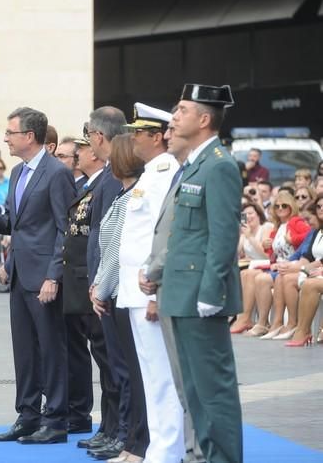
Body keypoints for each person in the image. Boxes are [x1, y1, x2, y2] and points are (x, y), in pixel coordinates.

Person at [0, 107, 75, 445]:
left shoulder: (56, 173)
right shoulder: (18, 173)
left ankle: (56, 420)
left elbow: (65, 229)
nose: (5, 138)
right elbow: (15, 223)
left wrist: (53, 276)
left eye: (10, 132)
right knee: (25, 351)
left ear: (28, 136)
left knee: (51, 348)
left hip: (44, 279)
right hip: (19, 274)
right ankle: (28, 415)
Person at [160, 83, 243, 463]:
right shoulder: (196, 163)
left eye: (181, 110)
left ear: (204, 119)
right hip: (182, 292)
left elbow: (223, 236)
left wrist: (212, 291)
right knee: (194, 390)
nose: (174, 117)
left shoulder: (220, 165)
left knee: (213, 390)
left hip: (200, 295)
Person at [140, 118, 206, 463]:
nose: (167, 136)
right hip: (166, 285)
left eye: (172, 130)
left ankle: (194, 451)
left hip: (185, 289)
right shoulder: (179, 172)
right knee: (181, 381)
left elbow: (185, 235)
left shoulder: (196, 170)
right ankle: (189, 450)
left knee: (191, 380)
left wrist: (152, 276)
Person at [121, 104, 183, 463]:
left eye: (138, 133)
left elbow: (162, 236)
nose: (132, 139)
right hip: (135, 290)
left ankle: (166, 452)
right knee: (150, 376)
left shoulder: (163, 172)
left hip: (148, 291)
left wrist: (156, 291)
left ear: (156, 137)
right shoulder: (150, 173)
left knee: (161, 377)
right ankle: (161, 448)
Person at [77, 106, 131, 459]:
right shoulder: (111, 173)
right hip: (103, 283)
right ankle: (111, 427)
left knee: (118, 366)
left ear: (99, 136)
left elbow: (113, 237)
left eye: (88, 139)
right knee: (108, 360)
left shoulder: (118, 175)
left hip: (113, 285)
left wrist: (102, 282)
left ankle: (122, 432)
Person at [90, 134, 147, 463]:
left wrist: (102, 287)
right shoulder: (123, 196)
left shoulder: (131, 198)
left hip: (120, 294)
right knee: (122, 370)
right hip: (113, 292)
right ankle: (129, 439)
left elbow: (117, 252)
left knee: (127, 373)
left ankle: (131, 438)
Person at [61, 138, 120, 444]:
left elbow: (104, 236)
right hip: (81, 281)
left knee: (107, 359)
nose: (78, 153)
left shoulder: (106, 184)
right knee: (97, 354)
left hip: (94, 282)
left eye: (82, 148)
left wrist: (99, 281)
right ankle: (108, 428)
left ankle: (115, 427)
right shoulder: (88, 184)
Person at [252, 191, 310, 339]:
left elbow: (309, 235)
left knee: (262, 279)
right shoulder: (277, 227)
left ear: (291, 206)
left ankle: (272, 322)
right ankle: (265, 322)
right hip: (279, 266)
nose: (280, 208)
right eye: (277, 206)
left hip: (292, 266)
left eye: (284, 205)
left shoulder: (296, 222)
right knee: (255, 277)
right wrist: (267, 246)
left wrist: (293, 239)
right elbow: (274, 254)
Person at [230, 203, 274, 334]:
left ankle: (246, 318)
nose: (248, 217)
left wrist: (250, 236)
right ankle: (240, 316)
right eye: (244, 215)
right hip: (252, 266)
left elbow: (265, 253)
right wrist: (239, 234)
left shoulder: (266, 227)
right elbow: (236, 253)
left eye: (251, 213)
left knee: (247, 274)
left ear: (258, 214)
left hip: (266, 265)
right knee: (242, 274)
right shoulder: (245, 232)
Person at [286, 195, 323, 346]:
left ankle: (303, 330)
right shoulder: (318, 231)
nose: (321, 209)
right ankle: (293, 325)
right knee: (290, 277)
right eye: (319, 206)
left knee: (310, 284)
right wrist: (303, 268)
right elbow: (311, 257)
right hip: (318, 269)